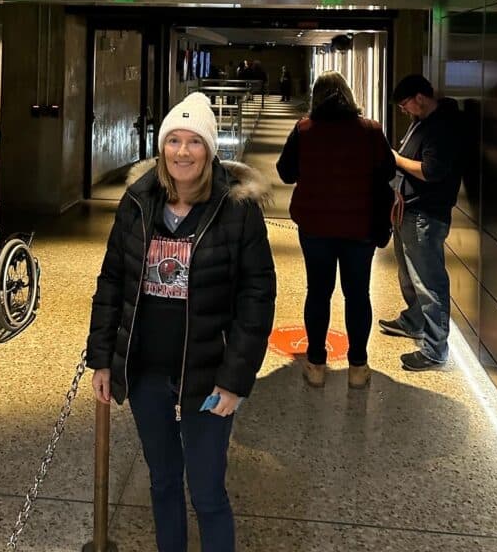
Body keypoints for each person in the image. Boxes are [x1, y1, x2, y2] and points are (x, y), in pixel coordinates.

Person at [87, 91, 276, 552]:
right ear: (161, 148)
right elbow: (112, 281)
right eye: (174, 140)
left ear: (210, 151)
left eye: (194, 142)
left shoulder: (236, 209)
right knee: (163, 481)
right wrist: (102, 360)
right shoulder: (138, 201)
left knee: (208, 492)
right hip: (147, 370)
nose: (183, 152)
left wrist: (235, 380)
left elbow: (257, 297)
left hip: (209, 374)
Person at [276, 71, 395, 389]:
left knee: (318, 292)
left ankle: (315, 364)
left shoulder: (304, 130)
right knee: (358, 295)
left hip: (315, 227)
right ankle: (358, 366)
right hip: (360, 226)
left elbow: (285, 173)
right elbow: (387, 170)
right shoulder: (370, 130)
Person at [380, 74, 462, 370]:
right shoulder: (424, 121)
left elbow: (430, 171)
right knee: (409, 274)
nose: (404, 110)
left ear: (420, 98)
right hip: (410, 212)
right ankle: (413, 321)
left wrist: (394, 158)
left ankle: (434, 348)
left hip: (426, 215)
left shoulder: (442, 127)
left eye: (405, 105)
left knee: (429, 282)